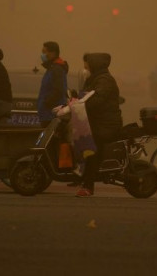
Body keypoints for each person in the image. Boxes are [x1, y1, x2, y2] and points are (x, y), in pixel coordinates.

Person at [77, 52, 123, 197]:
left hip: (106, 125)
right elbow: (85, 95)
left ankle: (88, 185)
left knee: (91, 148)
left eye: (87, 64)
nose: (85, 67)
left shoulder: (104, 80)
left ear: (94, 64)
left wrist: (82, 104)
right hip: (97, 122)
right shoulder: (94, 78)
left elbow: (97, 100)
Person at [37, 41, 69, 126]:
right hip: (47, 114)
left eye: (44, 52)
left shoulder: (57, 69)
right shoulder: (52, 68)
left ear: (53, 53)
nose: (42, 55)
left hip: (51, 115)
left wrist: (46, 103)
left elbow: (58, 91)